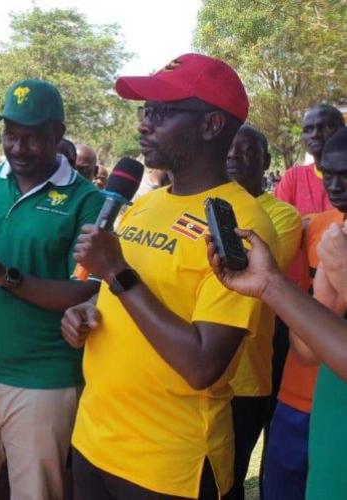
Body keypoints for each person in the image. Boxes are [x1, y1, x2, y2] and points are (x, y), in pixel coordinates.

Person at [66, 53, 278, 499]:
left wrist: (118, 273)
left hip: (167, 466)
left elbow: (203, 364)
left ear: (211, 125)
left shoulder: (241, 222)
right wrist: (87, 310)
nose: (145, 124)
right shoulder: (146, 203)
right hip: (94, 440)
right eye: (145, 112)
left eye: (162, 112)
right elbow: (122, 297)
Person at [0, 79, 104, 499]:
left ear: (58, 134)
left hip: (44, 382)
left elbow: (82, 291)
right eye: (11, 135)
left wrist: (8, 278)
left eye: (32, 138)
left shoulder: (88, 202)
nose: (18, 147)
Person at [206, 129, 347, 498]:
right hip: (315, 407)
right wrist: (281, 285)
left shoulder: (290, 223)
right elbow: (305, 347)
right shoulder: (327, 232)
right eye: (328, 174)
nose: (336, 185)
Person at [225, 124, 302, 499]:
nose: (234, 158)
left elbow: (253, 280)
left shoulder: (282, 217)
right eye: (229, 151)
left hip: (245, 375)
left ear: (267, 161)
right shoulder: (206, 207)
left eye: (246, 152)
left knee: (230, 480)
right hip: (189, 370)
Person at [275, 103, 345, 215]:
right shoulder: (293, 178)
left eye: (323, 127)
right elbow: (279, 223)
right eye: (307, 130)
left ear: (342, 130)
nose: (314, 134)